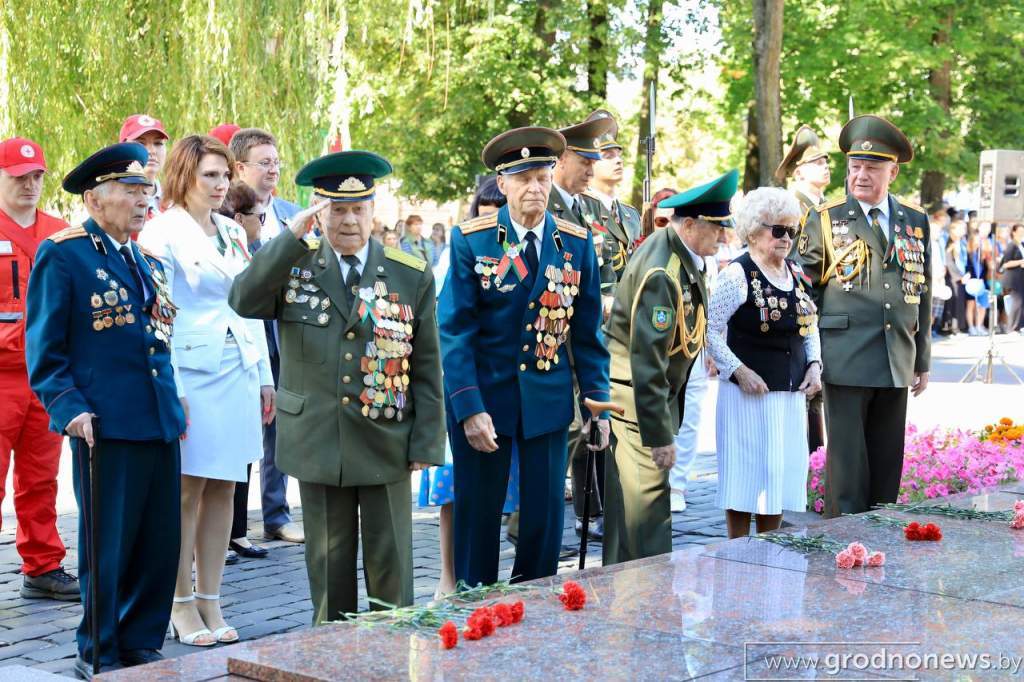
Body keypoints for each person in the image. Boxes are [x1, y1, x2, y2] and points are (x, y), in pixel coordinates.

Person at [230, 150, 444, 624]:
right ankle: (330, 660)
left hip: (386, 435)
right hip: (317, 438)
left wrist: (427, 439)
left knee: (393, 573)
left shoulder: (409, 274)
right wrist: (288, 239)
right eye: (336, 209)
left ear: (373, 211)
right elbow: (243, 300)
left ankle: (392, 658)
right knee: (329, 572)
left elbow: (427, 364)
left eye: (358, 209)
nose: (348, 221)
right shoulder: (294, 265)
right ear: (318, 212)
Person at [26, 143, 186, 677]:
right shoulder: (65, 254)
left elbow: (157, 338)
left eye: (146, 191)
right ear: (96, 198)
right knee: (109, 546)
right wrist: (66, 405)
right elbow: (45, 348)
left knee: (158, 542)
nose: (144, 201)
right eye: (131, 191)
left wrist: (174, 403)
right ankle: (99, 647)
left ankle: (141, 640)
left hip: (157, 419)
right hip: (104, 424)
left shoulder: (144, 258)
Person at [439, 126, 610, 586]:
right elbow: (454, 332)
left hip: (546, 401)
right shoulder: (472, 241)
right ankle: (473, 608)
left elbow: (588, 332)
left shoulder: (574, 243)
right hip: (485, 400)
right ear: (503, 183)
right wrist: (468, 408)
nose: (534, 188)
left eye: (542, 176)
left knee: (544, 520)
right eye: (523, 178)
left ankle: (533, 610)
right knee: (478, 517)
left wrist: (597, 402)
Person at [139, 135, 273, 647]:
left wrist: (264, 375)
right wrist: (168, 382)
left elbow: (251, 302)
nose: (220, 185)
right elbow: (158, 315)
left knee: (226, 486)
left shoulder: (233, 233)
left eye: (223, 175)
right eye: (209, 175)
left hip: (237, 366)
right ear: (184, 177)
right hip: (191, 371)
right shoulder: (161, 232)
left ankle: (212, 598)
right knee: (186, 488)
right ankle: (179, 602)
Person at [793, 114, 930, 518]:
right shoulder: (826, 218)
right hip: (846, 358)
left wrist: (921, 360)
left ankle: (880, 550)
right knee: (849, 474)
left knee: (888, 471)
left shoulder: (914, 220)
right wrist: (809, 357)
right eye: (854, 167)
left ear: (893, 171)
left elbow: (920, 291)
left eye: (871, 168)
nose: (861, 176)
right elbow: (804, 292)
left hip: (896, 359)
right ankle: (844, 555)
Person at [602, 170, 732, 565]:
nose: (723, 237)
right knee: (647, 521)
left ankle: (630, 607)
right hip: (638, 408)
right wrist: (660, 436)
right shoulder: (664, 270)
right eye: (717, 228)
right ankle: (646, 609)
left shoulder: (678, 253)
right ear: (690, 225)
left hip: (640, 401)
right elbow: (648, 360)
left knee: (633, 523)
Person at [709, 187, 822, 538]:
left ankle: (771, 546)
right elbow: (709, 332)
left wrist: (815, 365)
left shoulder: (794, 273)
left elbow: (809, 324)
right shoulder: (736, 275)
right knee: (745, 474)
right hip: (747, 396)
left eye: (791, 230)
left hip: (788, 396)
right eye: (778, 230)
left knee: (780, 475)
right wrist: (738, 371)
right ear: (754, 231)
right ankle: (738, 550)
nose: (786, 238)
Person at [418, 179, 512, 597]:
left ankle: (481, 574)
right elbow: (445, 323)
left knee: (493, 495)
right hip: (457, 386)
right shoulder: (459, 251)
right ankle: (447, 576)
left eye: (499, 209)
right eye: (485, 209)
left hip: (499, 387)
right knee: (453, 489)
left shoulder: (513, 254)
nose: (492, 217)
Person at [0, 137, 79, 601]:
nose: (29, 185)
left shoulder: (59, 231)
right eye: (18, 177)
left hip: (45, 378)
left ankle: (43, 565)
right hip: (1, 377)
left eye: (36, 176)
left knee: (40, 477)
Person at [229, 128, 303, 544]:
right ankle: (235, 524)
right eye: (263, 162)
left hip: (288, 335)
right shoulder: (227, 215)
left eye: (276, 161)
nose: (273, 169)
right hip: (246, 335)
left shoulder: (295, 214)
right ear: (240, 168)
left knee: (282, 426)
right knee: (243, 425)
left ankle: (276, 513)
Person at [549, 115, 616, 542]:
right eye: (583, 160)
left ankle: (588, 509)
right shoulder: (543, 206)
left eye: (595, 161)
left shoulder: (586, 209)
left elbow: (601, 272)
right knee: (565, 432)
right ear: (560, 160)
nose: (592, 169)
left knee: (589, 426)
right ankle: (537, 520)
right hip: (552, 340)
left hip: (588, 335)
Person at [218, 180, 272, 560]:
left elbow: (251, 316)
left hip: (246, 363)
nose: (261, 223)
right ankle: (216, 538)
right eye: (259, 216)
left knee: (243, 453)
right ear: (240, 217)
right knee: (213, 468)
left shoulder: (238, 243)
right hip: (211, 364)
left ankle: (236, 530)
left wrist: (266, 378)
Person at [777, 124, 830, 455]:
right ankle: (808, 464)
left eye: (826, 161)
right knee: (806, 391)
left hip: (825, 309)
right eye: (817, 162)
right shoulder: (792, 207)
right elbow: (792, 265)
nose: (825, 166)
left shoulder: (826, 207)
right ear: (799, 172)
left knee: (818, 391)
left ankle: (817, 463)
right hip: (804, 310)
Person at [585, 109, 643, 285]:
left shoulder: (631, 214)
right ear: (590, 162)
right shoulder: (581, 208)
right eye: (608, 156)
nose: (618, 160)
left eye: (619, 155)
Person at [119, 114, 169, 218]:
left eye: (158, 143)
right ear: (121, 149)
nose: (152, 151)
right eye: (141, 143)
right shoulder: (112, 200)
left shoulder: (176, 200)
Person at [999, 224, 1024, 333]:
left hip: (1020, 278)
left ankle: (1019, 326)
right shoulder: (1011, 245)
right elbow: (1005, 263)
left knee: (1021, 303)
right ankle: (1012, 327)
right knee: (1016, 302)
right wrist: (1020, 262)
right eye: (1019, 231)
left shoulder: (1021, 245)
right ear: (1013, 232)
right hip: (1013, 279)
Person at [944, 220, 968, 335]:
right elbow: (949, 261)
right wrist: (958, 277)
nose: (964, 230)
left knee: (960, 301)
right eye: (961, 228)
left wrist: (966, 274)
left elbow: (964, 260)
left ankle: (959, 327)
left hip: (962, 275)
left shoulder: (962, 242)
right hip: (953, 277)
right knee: (954, 301)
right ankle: (952, 327)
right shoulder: (949, 242)